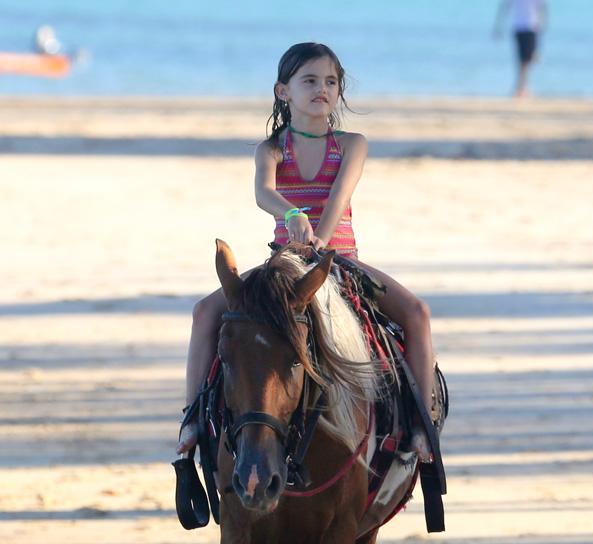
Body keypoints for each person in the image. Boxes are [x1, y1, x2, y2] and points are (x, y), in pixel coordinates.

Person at [177, 42, 434, 460]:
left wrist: (320, 239)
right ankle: (192, 420)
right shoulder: (272, 149)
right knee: (205, 313)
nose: (323, 89)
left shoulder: (352, 144)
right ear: (284, 92)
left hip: (340, 259)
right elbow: (264, 192)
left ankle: (421, 427)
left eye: (331, 81)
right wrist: (293, 213)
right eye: (310, 80)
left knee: (418, 314)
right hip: (285, 265)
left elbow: (338, 197)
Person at [494, 0, 547, 97]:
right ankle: (521, 88)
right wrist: (498, 26)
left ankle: (521, 87)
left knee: (527, 60)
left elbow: (542, 8)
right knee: (524, 60)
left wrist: (498, 26)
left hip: (528, 27)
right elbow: (542, 8)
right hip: (523, 27)